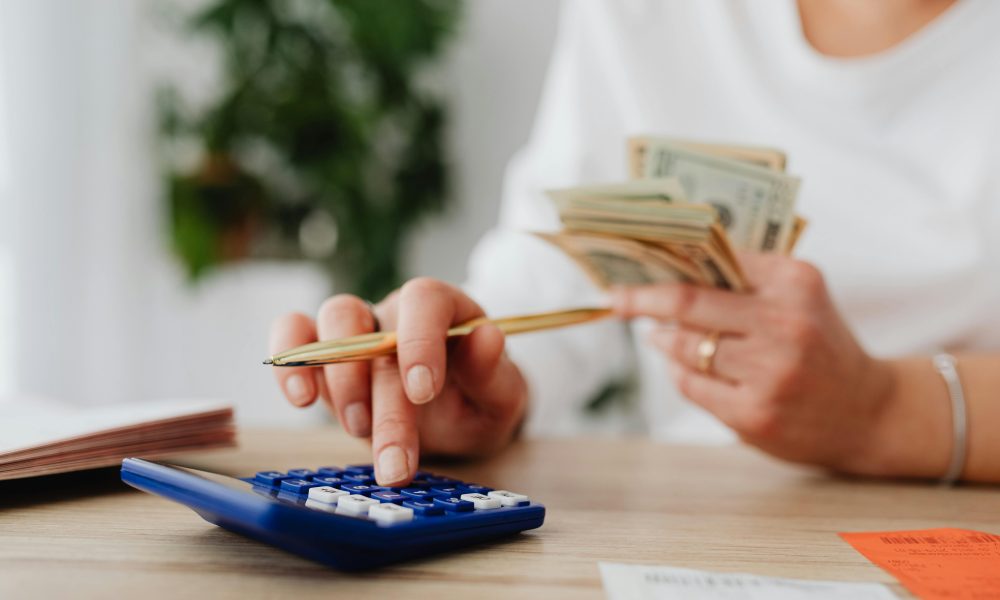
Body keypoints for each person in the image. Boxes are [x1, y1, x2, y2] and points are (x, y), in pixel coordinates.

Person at [270, 0, 1000, 486]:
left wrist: (880, 410)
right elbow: (559, 260)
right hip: (696, 527)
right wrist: (477, 375)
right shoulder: (643, 13)